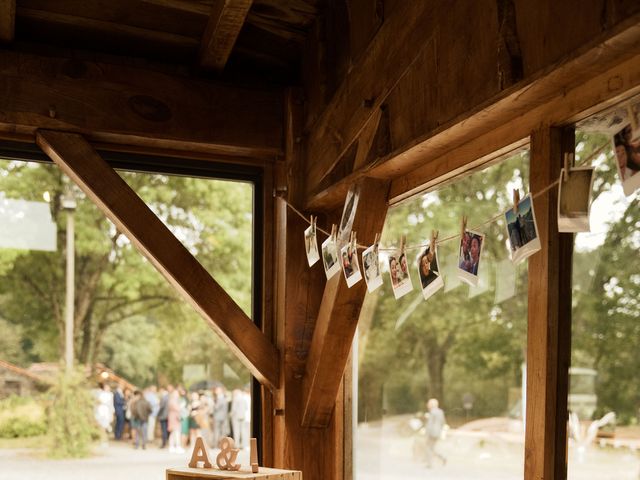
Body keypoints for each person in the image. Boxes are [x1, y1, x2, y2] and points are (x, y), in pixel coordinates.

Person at [424, 398, 447, 468]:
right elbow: (443, 422)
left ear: (432, 405)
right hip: (438, 432)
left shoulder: (432, 412)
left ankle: (430, 463)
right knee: (432, 447)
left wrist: (426, 432)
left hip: (432, 433)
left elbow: (430, 424)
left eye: (429, 404)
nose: (428, 405)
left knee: (428, 447)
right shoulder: (440, 412)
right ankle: (442, 458)